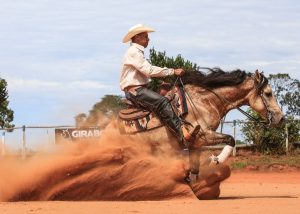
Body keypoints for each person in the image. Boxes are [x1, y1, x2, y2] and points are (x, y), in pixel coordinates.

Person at [120, 24, 200, 147]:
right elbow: (149, 71)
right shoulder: (134, 52)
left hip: (140, 89)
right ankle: (183, 135)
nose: (148, 39)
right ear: (137, 37)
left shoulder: (136, 52)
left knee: (168, 92)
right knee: (163, 102)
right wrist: (172, 71)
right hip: (136, 91)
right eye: (146, 36)